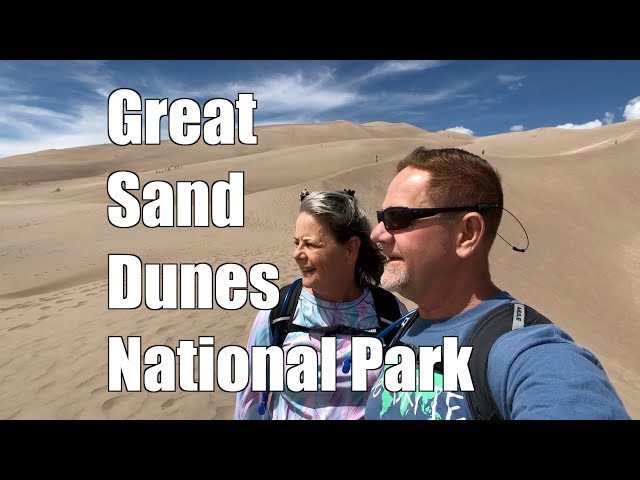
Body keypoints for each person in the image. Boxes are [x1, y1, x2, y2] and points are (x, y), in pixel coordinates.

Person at [364, 146, 630, 420]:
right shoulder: (405, 327)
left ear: (467, 234)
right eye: (382, 218)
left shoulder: (530, 354)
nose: (377, 234)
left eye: (397, 218)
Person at [235, 190, 409, 419]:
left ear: (350, 249)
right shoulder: (278, 313)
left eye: (310, 245)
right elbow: (250, 403)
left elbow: (406, 401)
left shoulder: (389, 314)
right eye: (296, 242)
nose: (297, 254)